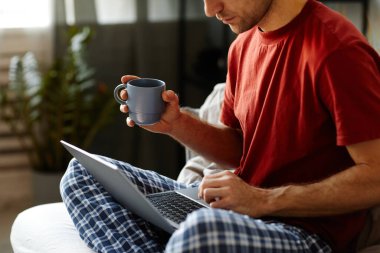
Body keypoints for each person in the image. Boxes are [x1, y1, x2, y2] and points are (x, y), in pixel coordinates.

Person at [60, 0, 380, 252]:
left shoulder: (338, 50)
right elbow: (242, 149)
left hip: (304, 233)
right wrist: (177, 124)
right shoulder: (242, 47)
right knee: (82, 173)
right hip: (236, 213)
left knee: (201, 232)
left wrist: (262, 200)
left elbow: (376, 176)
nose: (210, 9)